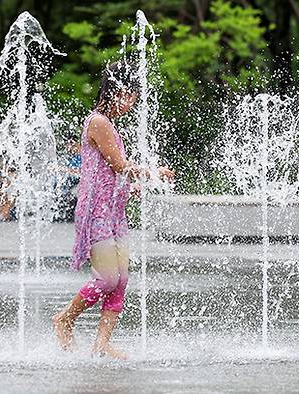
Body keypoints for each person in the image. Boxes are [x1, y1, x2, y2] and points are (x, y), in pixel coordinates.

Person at [52, 61, 174, 359]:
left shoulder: (109, 124)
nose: (132, 104)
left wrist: (130, 188)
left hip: (114, 210)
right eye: (131, 96)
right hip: (97, 213)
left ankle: (102, 343)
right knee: (107, 279)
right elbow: (120, 166)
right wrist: (153, 171)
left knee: (121, 280)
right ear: (118, 92)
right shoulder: (99, 122)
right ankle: (64, 319)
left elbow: (110, 173)